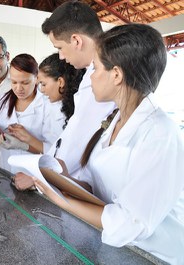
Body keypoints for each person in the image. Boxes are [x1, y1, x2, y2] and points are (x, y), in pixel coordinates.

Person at [35, 24, 184, 265]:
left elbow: (130, 222)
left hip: (153, 256)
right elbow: (103, 188)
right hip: (116, 250)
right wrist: (59, 179)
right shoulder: (117, 118)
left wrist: (63, 201)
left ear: (116, 74)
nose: (91, 76)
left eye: (95, 68)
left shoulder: (159, 133)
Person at [13, 1, 116, 190]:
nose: (60, 56)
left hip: (84, 186)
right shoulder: (90, 74)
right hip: (70, 180)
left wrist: (42, 177)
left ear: (76, 41)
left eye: (59, 47)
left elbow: (79, 141)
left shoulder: (104, 80)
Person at [0, 54, 59, 172]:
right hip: (7, 173)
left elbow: (55, 152)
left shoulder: (48, 104)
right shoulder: (1, 102)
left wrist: (24, 145)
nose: (18, 88)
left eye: (25, 83)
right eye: (14, 82)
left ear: (36, 78)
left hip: (37, 177)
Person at [38, 53, 85, 129]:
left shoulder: (78, 111)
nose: (42, 90)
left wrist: (30, 139)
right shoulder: (64, 105)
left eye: (43, 84)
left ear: (60, 82)